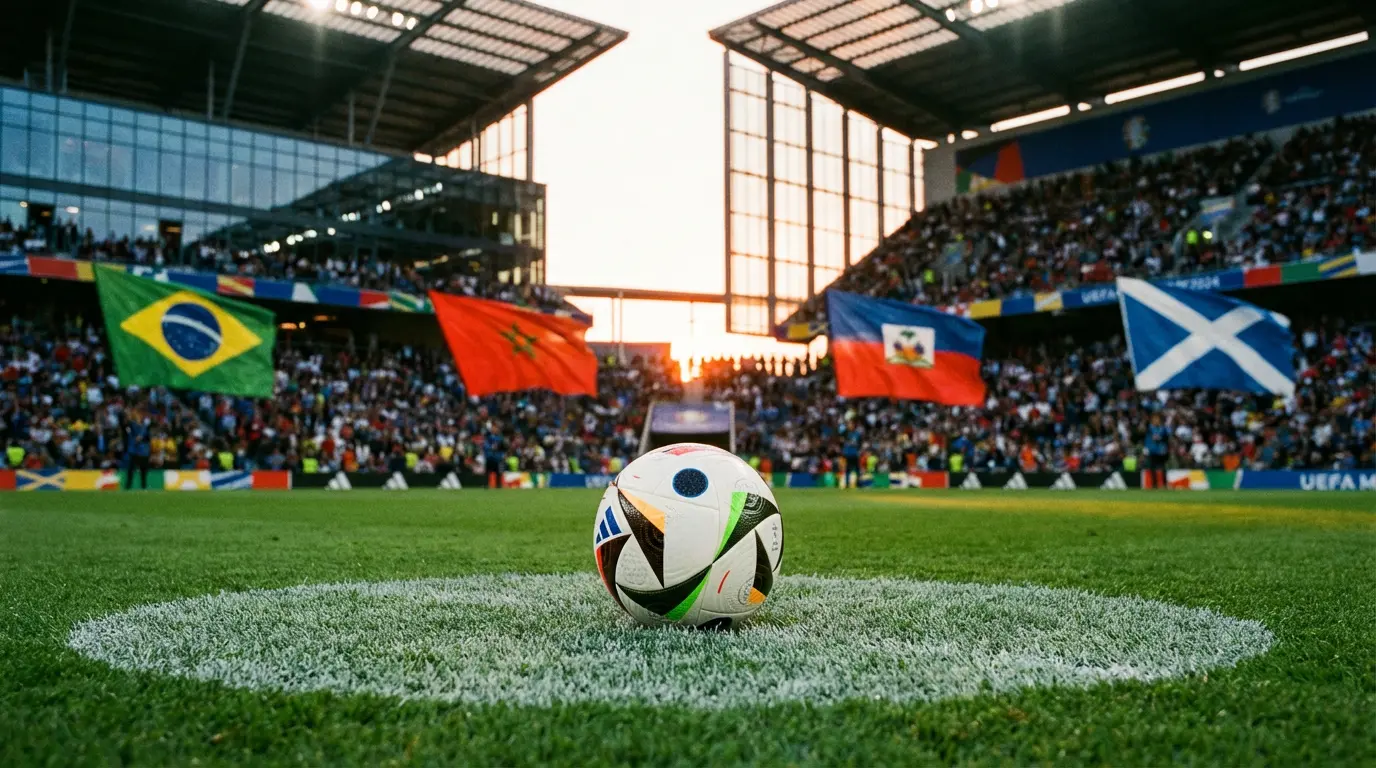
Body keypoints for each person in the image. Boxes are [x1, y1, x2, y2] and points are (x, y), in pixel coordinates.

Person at [123, 411, 152, 490]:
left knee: (143, 470)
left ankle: (143, 485)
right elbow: (127, 425)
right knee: (131, 469)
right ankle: (128, 485)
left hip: (143, 452)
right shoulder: (132, 425)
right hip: (134, 451)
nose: (140, 417)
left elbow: (147, 438)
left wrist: (141, 438)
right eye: (139, 416)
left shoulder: (144, 427)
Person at [1145, 415, 1170, 489]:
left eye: (1157, 419)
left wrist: (1160, 438)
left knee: (1163, 467)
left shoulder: (1163, 428)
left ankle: (1164, 484)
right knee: (1152, 468)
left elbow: (1166, 439)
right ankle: (1154, 484)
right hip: (1152, 451)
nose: (1156, 421)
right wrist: (1146, 448)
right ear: (1152, 421)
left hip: (1161, 451)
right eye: (1154, 419)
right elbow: (1147, 439)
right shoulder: (1149, 428)